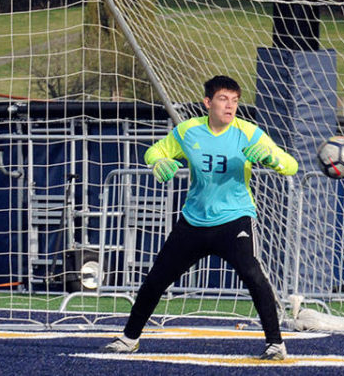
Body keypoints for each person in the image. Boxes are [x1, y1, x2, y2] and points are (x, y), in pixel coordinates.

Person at [102, 74, 298, 360]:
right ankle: (129, 338)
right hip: (193, 221)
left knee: (253, 276)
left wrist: (272, 159)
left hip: (235, 219)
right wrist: (159, 162)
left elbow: (291, 165)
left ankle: (275, 344)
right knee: (156, 279)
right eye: (223, 99)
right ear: (208, 103)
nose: (229, 106)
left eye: (234, 100)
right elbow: (154, 152)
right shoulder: (188, 131)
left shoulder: (248, 132)